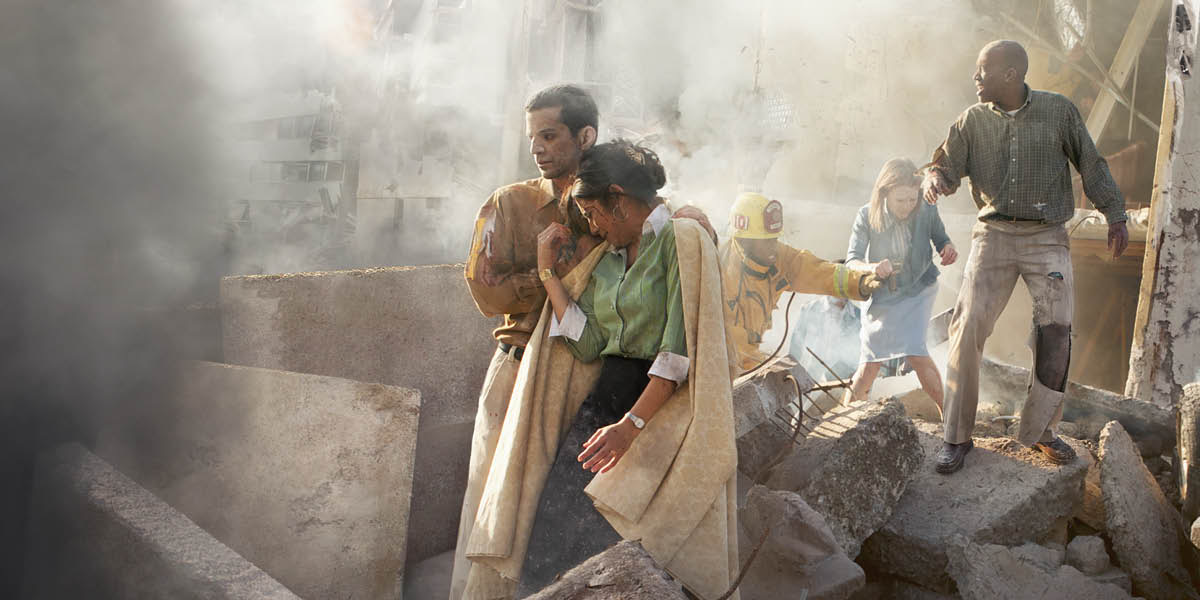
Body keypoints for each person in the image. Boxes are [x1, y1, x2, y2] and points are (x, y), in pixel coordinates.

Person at [511, 140, 738, 597]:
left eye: (593, 212)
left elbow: (678, 352)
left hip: (657, 407)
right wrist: (547, 273)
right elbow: (589, 343)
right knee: (557, 521)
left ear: (618, 198)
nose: (591, 225)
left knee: (625, 535)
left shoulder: (679, 238)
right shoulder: (610, 260)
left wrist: (631, 425)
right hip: (607, 400)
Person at [923, 40, 1128, 474]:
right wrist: (935, 181)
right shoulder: (970, 120)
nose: (976, 78)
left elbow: (1091, 163)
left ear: (1010, 75)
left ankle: (1041, 433)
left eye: (983, 70)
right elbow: (943, 166)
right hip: (992, 235)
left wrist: (1115, 214)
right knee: (966, 327)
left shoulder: (1059, 112)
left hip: (1046, 238)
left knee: (1056, 332)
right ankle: (955, 438)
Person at [719, 192, 881, 372]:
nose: (773, 246)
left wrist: (859, 282)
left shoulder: (777, 258)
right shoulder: (723, 274)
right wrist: (766, 366)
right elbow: (734, 344)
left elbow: (816, 271)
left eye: (775, 239)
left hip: (749, 359)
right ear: (744, 241)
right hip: (722, 365)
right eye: (766, 241)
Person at [844, 158, 957, 407]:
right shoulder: (866, 215)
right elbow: (851, 261)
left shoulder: (926, 208)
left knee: (917, 353)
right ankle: (845, 419)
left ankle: (949, 419)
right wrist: (872, 267)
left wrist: (947, 248)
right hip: (882, 296)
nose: (907, 206)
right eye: (900, 200)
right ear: (885, 193)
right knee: (870, 363)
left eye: (912, 199)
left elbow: (940, 237)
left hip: (919, 290)